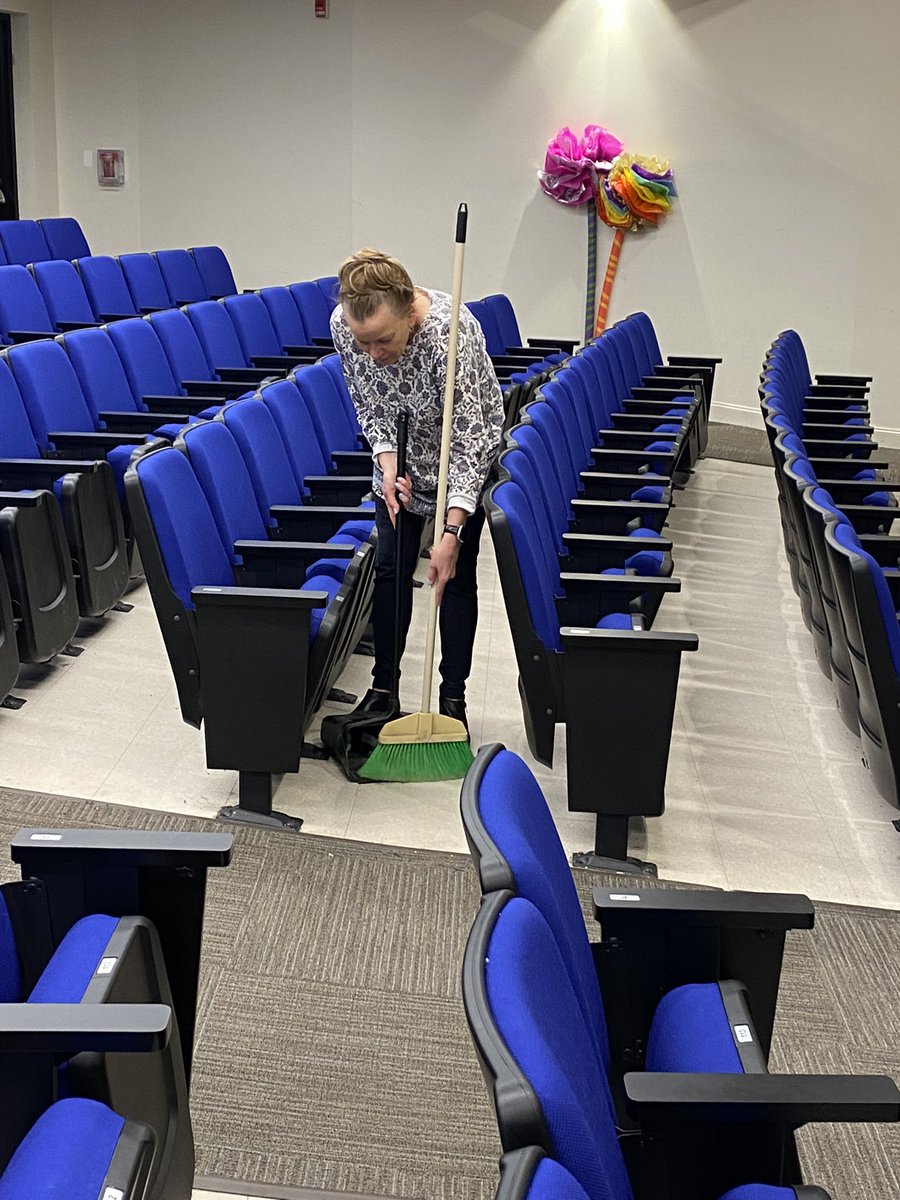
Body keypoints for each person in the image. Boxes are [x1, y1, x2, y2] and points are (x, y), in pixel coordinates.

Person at [329, 247, 504, 733]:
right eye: (363, 343)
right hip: (400, 460)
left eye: (383, 340)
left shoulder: (453, 334)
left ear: (409, 312)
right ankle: (383, 688)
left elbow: (473, 435)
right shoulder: (346, 326)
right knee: (390, 568)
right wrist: (387, 463)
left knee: (454, 578)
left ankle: (452, 700)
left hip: (460, 456)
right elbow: (368, 402)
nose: (373, 353)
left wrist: (450, 532)